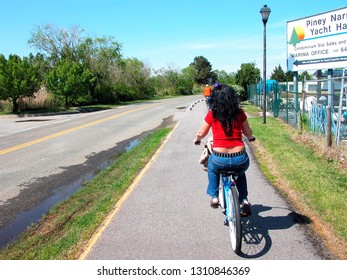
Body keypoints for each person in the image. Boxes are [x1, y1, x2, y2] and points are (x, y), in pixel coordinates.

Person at [194, 84, 255, 217]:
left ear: (214, 99)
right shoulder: (240, 113)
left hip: (219, 158)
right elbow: (248, 132)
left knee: (212, 168)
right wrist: (250, 138)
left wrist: (197, 139)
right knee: (240, 173)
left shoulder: (212, 114)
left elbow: (201, 132)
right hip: (240, 158)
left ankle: (214, 197)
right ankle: (244, 200)